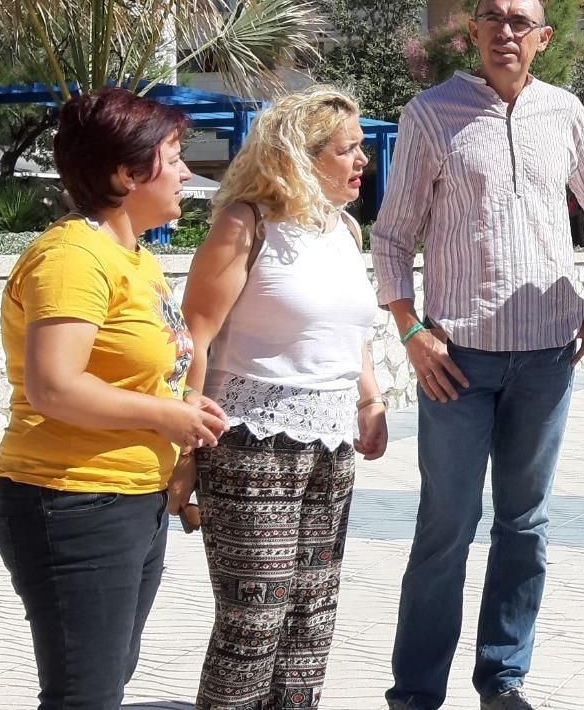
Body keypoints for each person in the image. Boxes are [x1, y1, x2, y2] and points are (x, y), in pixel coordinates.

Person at [373, 0, 584, 710]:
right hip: (458, 362)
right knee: (446, 527)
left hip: (548, 357)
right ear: (475, 32)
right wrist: (411, 329)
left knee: (525, 523)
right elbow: (391, 237)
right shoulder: (431, 115)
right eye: (493, 18)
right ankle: (417, 693)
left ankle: (503, 676)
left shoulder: (566, 112)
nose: (506, 32)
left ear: (543, 39)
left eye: (521, 22)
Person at [0, 88, 228, 710]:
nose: (185, 173)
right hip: (70, 501)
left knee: (104, 681)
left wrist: (179, 431)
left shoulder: (135, 257)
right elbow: (55, 385)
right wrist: (168, 415)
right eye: (174, 157)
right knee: (85, 695)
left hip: (130, 500)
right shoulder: (72, 258)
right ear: (126, 173)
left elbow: (138, 373)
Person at [178, 89, 388, 709]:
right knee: (255, 620)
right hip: (251, 440)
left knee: (310, 620)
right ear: (302, 154)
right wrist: (186, 446)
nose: (361, 163)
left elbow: (352, 333)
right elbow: (196, 335)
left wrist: (369, 403)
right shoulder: (247, 222)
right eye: (348, 150)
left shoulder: (346, 229)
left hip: (331, 443)